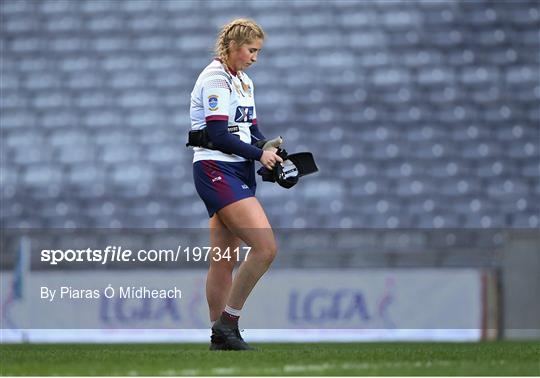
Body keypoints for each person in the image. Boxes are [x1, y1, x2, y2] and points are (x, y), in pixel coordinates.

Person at [189, 18, 283, 351]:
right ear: (232, 46)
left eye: (258, 51)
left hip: (236, 169)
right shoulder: (215, 78)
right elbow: (217, 134)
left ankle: (220, 337)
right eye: (251, 49)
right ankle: (228, 324)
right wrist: (260, 155)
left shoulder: (243, 80)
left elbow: (250, 130)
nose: (255, 57)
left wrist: (268, 147)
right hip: (217, 168)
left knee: (224, 257)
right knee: (265, 248)